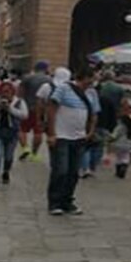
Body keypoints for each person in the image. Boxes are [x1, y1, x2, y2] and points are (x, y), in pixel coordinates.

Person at [46, 67, 99, 216]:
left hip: (79, 137)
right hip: (62, 135)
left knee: (73, 172)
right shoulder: (63, 88)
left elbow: (94, 114)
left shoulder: (92, 93)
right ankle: (54, 202)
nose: (93, 82)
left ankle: (67, 201)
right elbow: (51, 108)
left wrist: (91, 132)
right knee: (60, 170)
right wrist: (51, 133)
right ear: (84, 77)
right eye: (92, 79)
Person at [0, 81, 28, 188]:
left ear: (13, 92)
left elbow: (24, 115)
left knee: (9, 156)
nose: (5, 94)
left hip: (12, 132)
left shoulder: (19, 102)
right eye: (3, 91)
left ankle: (6, 171)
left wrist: (10, 109)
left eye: (8, 91)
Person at [17, 61, 52, 161]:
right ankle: (34, 153)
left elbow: (20, 92)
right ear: (45, 69)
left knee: (22, 130)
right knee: (38, 132)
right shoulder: (49, 80)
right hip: (41, 109)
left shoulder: (27, 78)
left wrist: (19, 103)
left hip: (26, 107)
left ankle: (25, 148)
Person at [108, 99, 131, 179]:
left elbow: (115, 134)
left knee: (118, 157)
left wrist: (110, 139)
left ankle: (118, 171)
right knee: (125, 157)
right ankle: (124, 167)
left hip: (119, 144)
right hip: (128, 144)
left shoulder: (120, 126)